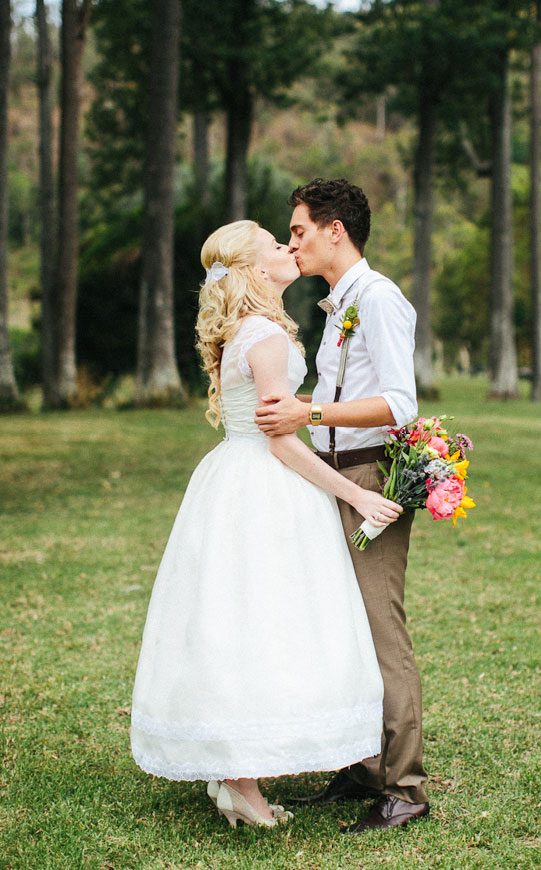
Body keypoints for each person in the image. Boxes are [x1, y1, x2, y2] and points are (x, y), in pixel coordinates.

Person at [130, 219, 403, 829]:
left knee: (236, 621)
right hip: (265, 485)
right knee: (264, 621)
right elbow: (281, 441)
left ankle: (233, 773)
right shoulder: (267, 336)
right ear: (257, 270)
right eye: (277, 245)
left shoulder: (244, 330)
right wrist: (356, 497)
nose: (289, 248)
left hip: (229, 478)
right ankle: (240, 782)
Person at [255, 178, 430, 834]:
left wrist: (308, 414)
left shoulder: (378, 299)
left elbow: (400, 404)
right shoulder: (338, 305)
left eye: (298, 230)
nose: (292, 243)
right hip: (330, 475)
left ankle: (404, 788)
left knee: (380, 629)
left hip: (368, 475)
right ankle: (363, 767)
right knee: (344, 625)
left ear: (335, 230)